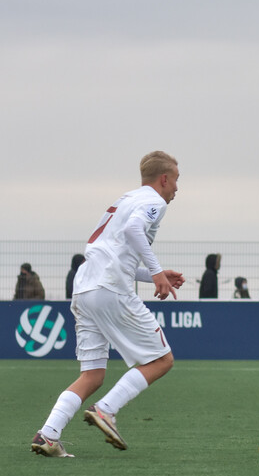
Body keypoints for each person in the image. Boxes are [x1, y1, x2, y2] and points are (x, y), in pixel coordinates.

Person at [30, 150, 184, 458]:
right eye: (176, 181)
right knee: (162, 360)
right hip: (109, 289)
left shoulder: (126, 199)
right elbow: (132, 232)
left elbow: (110, 250)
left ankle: (48, 434)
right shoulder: (153, 201)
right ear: (164, 179)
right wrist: (155, 274)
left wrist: (150, 272)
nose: (177, 189)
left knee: (93, 375)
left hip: (85, 288)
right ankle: (106, 410)